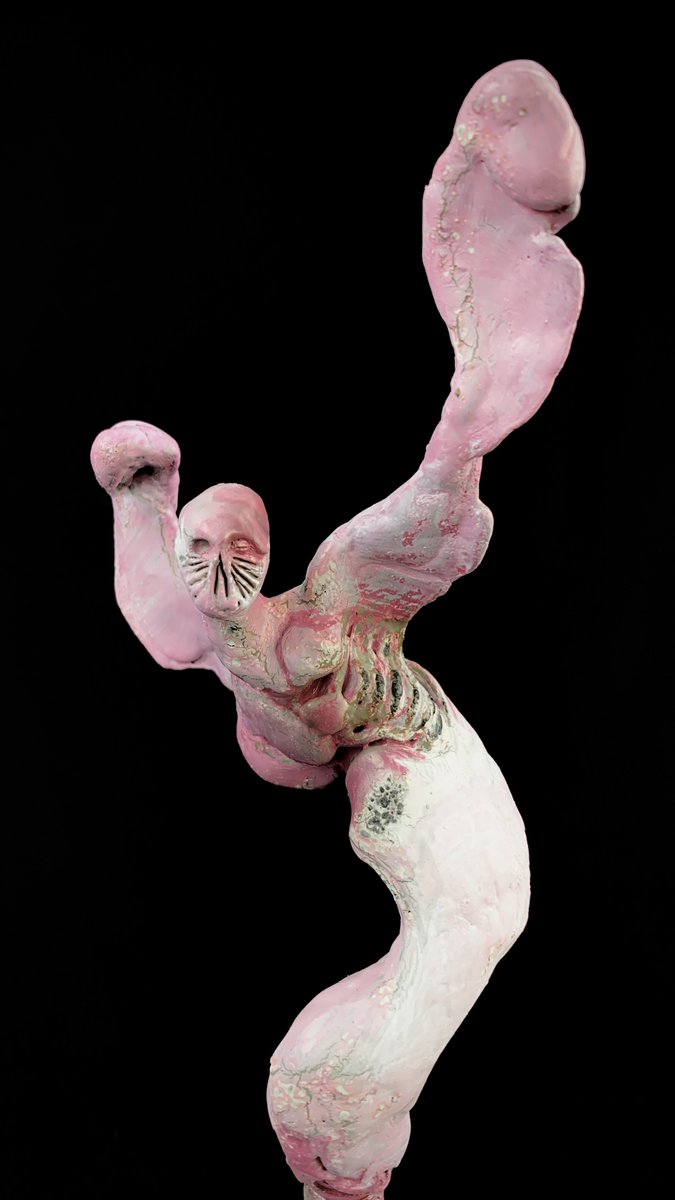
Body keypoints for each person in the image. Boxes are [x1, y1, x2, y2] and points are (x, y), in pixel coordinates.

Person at [91, 59, 584, 1200]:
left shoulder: (332, 598)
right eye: (202, 555)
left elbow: (447, 470)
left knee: (485, 914)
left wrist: (480, 230)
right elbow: (163, 610)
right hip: (401, 799)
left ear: (264, 555)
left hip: (424, 767)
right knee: (471, 927)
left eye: (236, 553)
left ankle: (341, 1136)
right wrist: (137, 496)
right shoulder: (216, 643)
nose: (219, 576)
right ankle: (339, 1140)